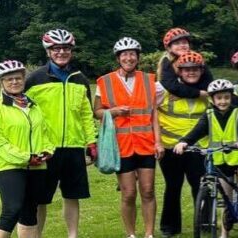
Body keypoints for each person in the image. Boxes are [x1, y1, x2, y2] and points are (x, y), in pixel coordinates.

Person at [25, 29, 95, 238]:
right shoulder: (35, 78)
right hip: (46, 148)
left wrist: (92, 142)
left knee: (72, 196)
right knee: (40, 198)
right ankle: (36, 235)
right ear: (48, 51)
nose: (61, 52)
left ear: (71, 51)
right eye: (56, 49)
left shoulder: (80, 79)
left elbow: (86, 114)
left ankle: (72, 235)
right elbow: (23, 113)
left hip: (74, 147)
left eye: (66, 48)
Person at [172, 80, 238, 236]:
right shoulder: (209, 114)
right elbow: (197, 131)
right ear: (212, 99)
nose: (223, 101)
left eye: (226, 97)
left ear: (231, 98)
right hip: (221, 159)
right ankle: (224, 233)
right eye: (219, 98)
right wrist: (183, 142)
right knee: (226, 197)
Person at [95, 37, 159, 238]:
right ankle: (130, 234)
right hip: (121, 146)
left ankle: (149, 234)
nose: (129, 58)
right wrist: (112, 111)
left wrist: (159, 141)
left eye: (132, 54)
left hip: (146, 144)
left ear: (138, 57)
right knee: (129, 194)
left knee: (148, 191)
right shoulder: (104, 82)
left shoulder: (150, 80)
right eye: (125, 54)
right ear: (118, 58)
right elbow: (96, 111)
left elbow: (154, 113)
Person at [0, 60, 54, 238]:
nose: (14, 82)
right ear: (1, 82)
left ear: (24, 79)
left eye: (17, 78)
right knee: (12, 210)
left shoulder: (34, 105)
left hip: (37, 166)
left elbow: (45, 133)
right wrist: (26, 157)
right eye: (9, 79)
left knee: (29, 212)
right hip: (9, 166)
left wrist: (47, 150)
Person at [154, 51, 211, 237]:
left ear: (201, 71)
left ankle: (205, 221)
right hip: (170, 147)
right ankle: (169, 227)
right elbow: (149, 109)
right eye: (187, 70)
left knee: (201, 185)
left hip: (198, 147)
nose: (191, 73)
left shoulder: (208, 91)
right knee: (173, 186)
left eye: (195, 69)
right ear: (179, 71)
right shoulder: (164, 89)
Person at [155, 28, 215, 105]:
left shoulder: (196, 58)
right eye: (177, 43)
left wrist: (185, 94)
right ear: (169, 48)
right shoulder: (167, 61)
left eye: (184, 42)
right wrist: (198, 93)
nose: (182, 45)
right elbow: (170, 85)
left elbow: (208, 82)